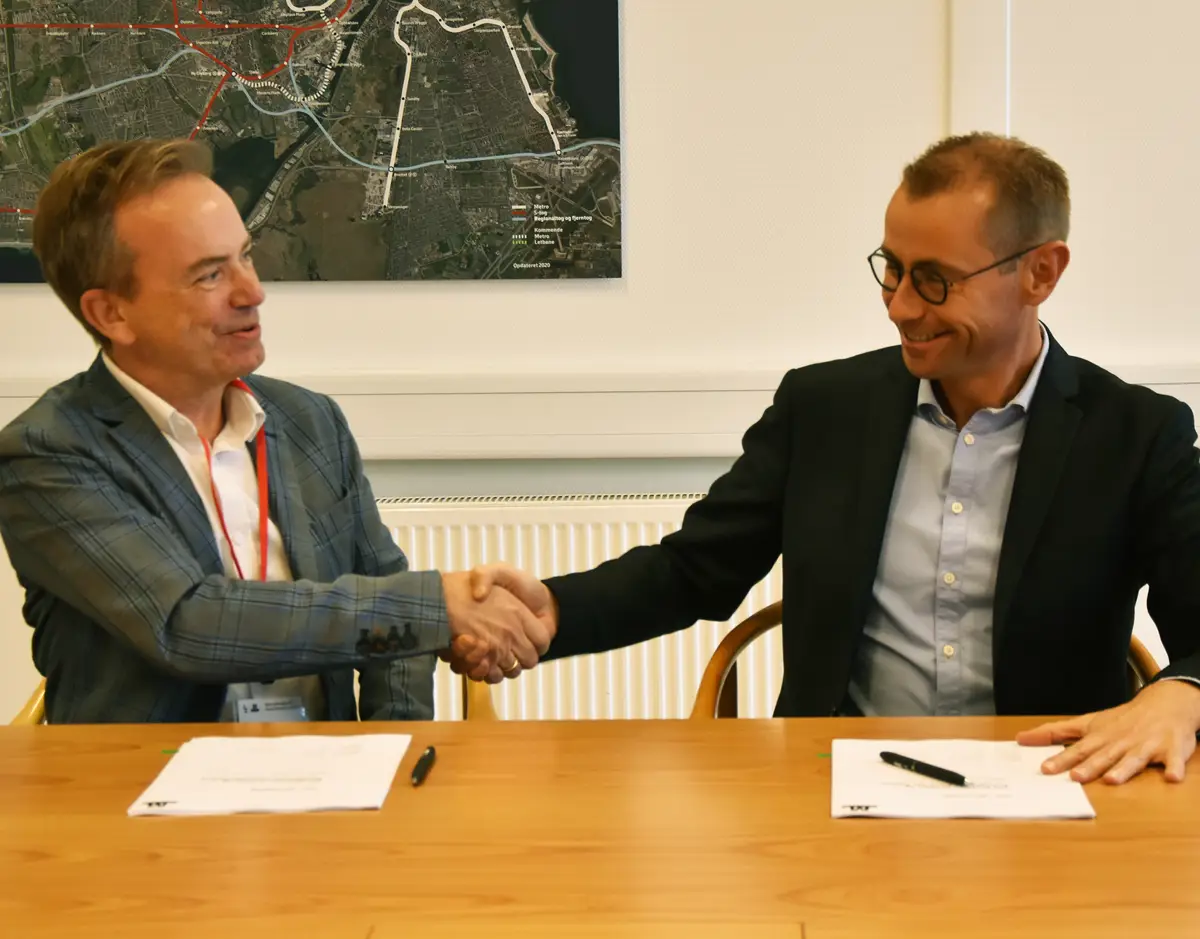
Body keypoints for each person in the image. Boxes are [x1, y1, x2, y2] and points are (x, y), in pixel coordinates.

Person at [466, 132, 1200, 785]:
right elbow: (693, 571)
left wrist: (1183, 691)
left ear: (1041, 272)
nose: (900, 306)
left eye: (935, 280)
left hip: (1055, 789)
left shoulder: (1137, 435)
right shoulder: (823, 408)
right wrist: (547, 610)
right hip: (834, 786)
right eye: (892, 269)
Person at [0, 139, 546, 723]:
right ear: (112, 313)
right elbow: (187, 625)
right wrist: (434, 606)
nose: (252, 292)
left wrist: (396, 740)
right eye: (210, 275)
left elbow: (388, 595)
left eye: (246, 256)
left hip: (331, 769)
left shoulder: (309, 421)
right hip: (147, 775)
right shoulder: (48, 453)